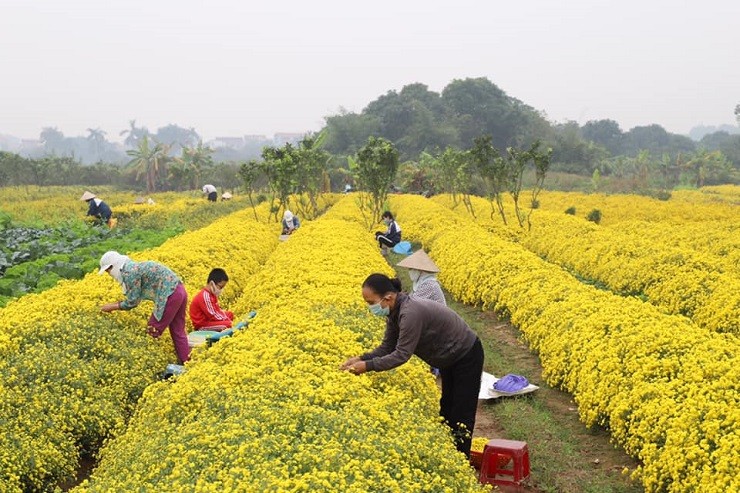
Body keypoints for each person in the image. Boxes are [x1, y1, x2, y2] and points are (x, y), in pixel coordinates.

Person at [341, 273, 484, 457]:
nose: (370, 307)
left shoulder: (409, 313)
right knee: (447, 408)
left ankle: (461, 460)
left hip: (465, 353)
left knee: (461, 412)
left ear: (388, 297)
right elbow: (387, 346)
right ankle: (449, 455)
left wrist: (367, 366)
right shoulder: (394, 312)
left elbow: (401, 355)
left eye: (371, 302)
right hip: (448, 357)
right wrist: (360, 358)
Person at [98, 251, 190, 364]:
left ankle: (149, 363)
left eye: (108, 271)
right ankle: (186, 362)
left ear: (113, 266)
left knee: (152, 330)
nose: (109, 274)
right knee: (177, 331)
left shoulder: (129, 272)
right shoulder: (131, 266)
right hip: (179, 290)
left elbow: (132, 302)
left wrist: (111, 307)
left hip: (170, 294)